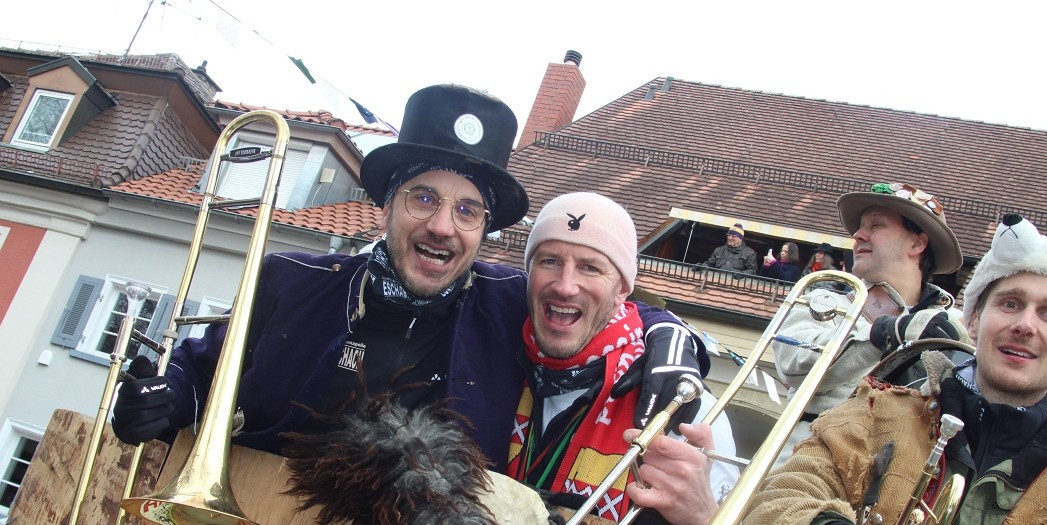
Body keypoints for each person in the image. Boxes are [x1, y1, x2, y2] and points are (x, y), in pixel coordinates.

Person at [109, 84, 707, 467]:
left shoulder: (506, 301)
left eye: (467, 211)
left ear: (483, 231)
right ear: (387, 206)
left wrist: (672, 339)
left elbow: (607, 302)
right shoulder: (291, 281)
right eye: (423, 199)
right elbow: (200, 366)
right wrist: (168, 396)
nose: (443, 226)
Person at [730, 213, 1047, 525]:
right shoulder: (876, 411)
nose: (1025, 324)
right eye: (1009, 303)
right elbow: (765, 507)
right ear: (973, 324)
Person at [508, 192, 741, 525]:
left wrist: (703, 519)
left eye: (590, 267)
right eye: (549, 261)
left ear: (622, 290)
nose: (565, 285)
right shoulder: (497, 356)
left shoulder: (685, 406)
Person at [772, 181, 970, 465]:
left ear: (917, 243)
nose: (858, 235)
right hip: (800, 474)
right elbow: (793, 367)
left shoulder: (957, 327)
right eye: (861, 227)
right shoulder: (822, 299)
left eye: (875, 226)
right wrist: (881, 335)